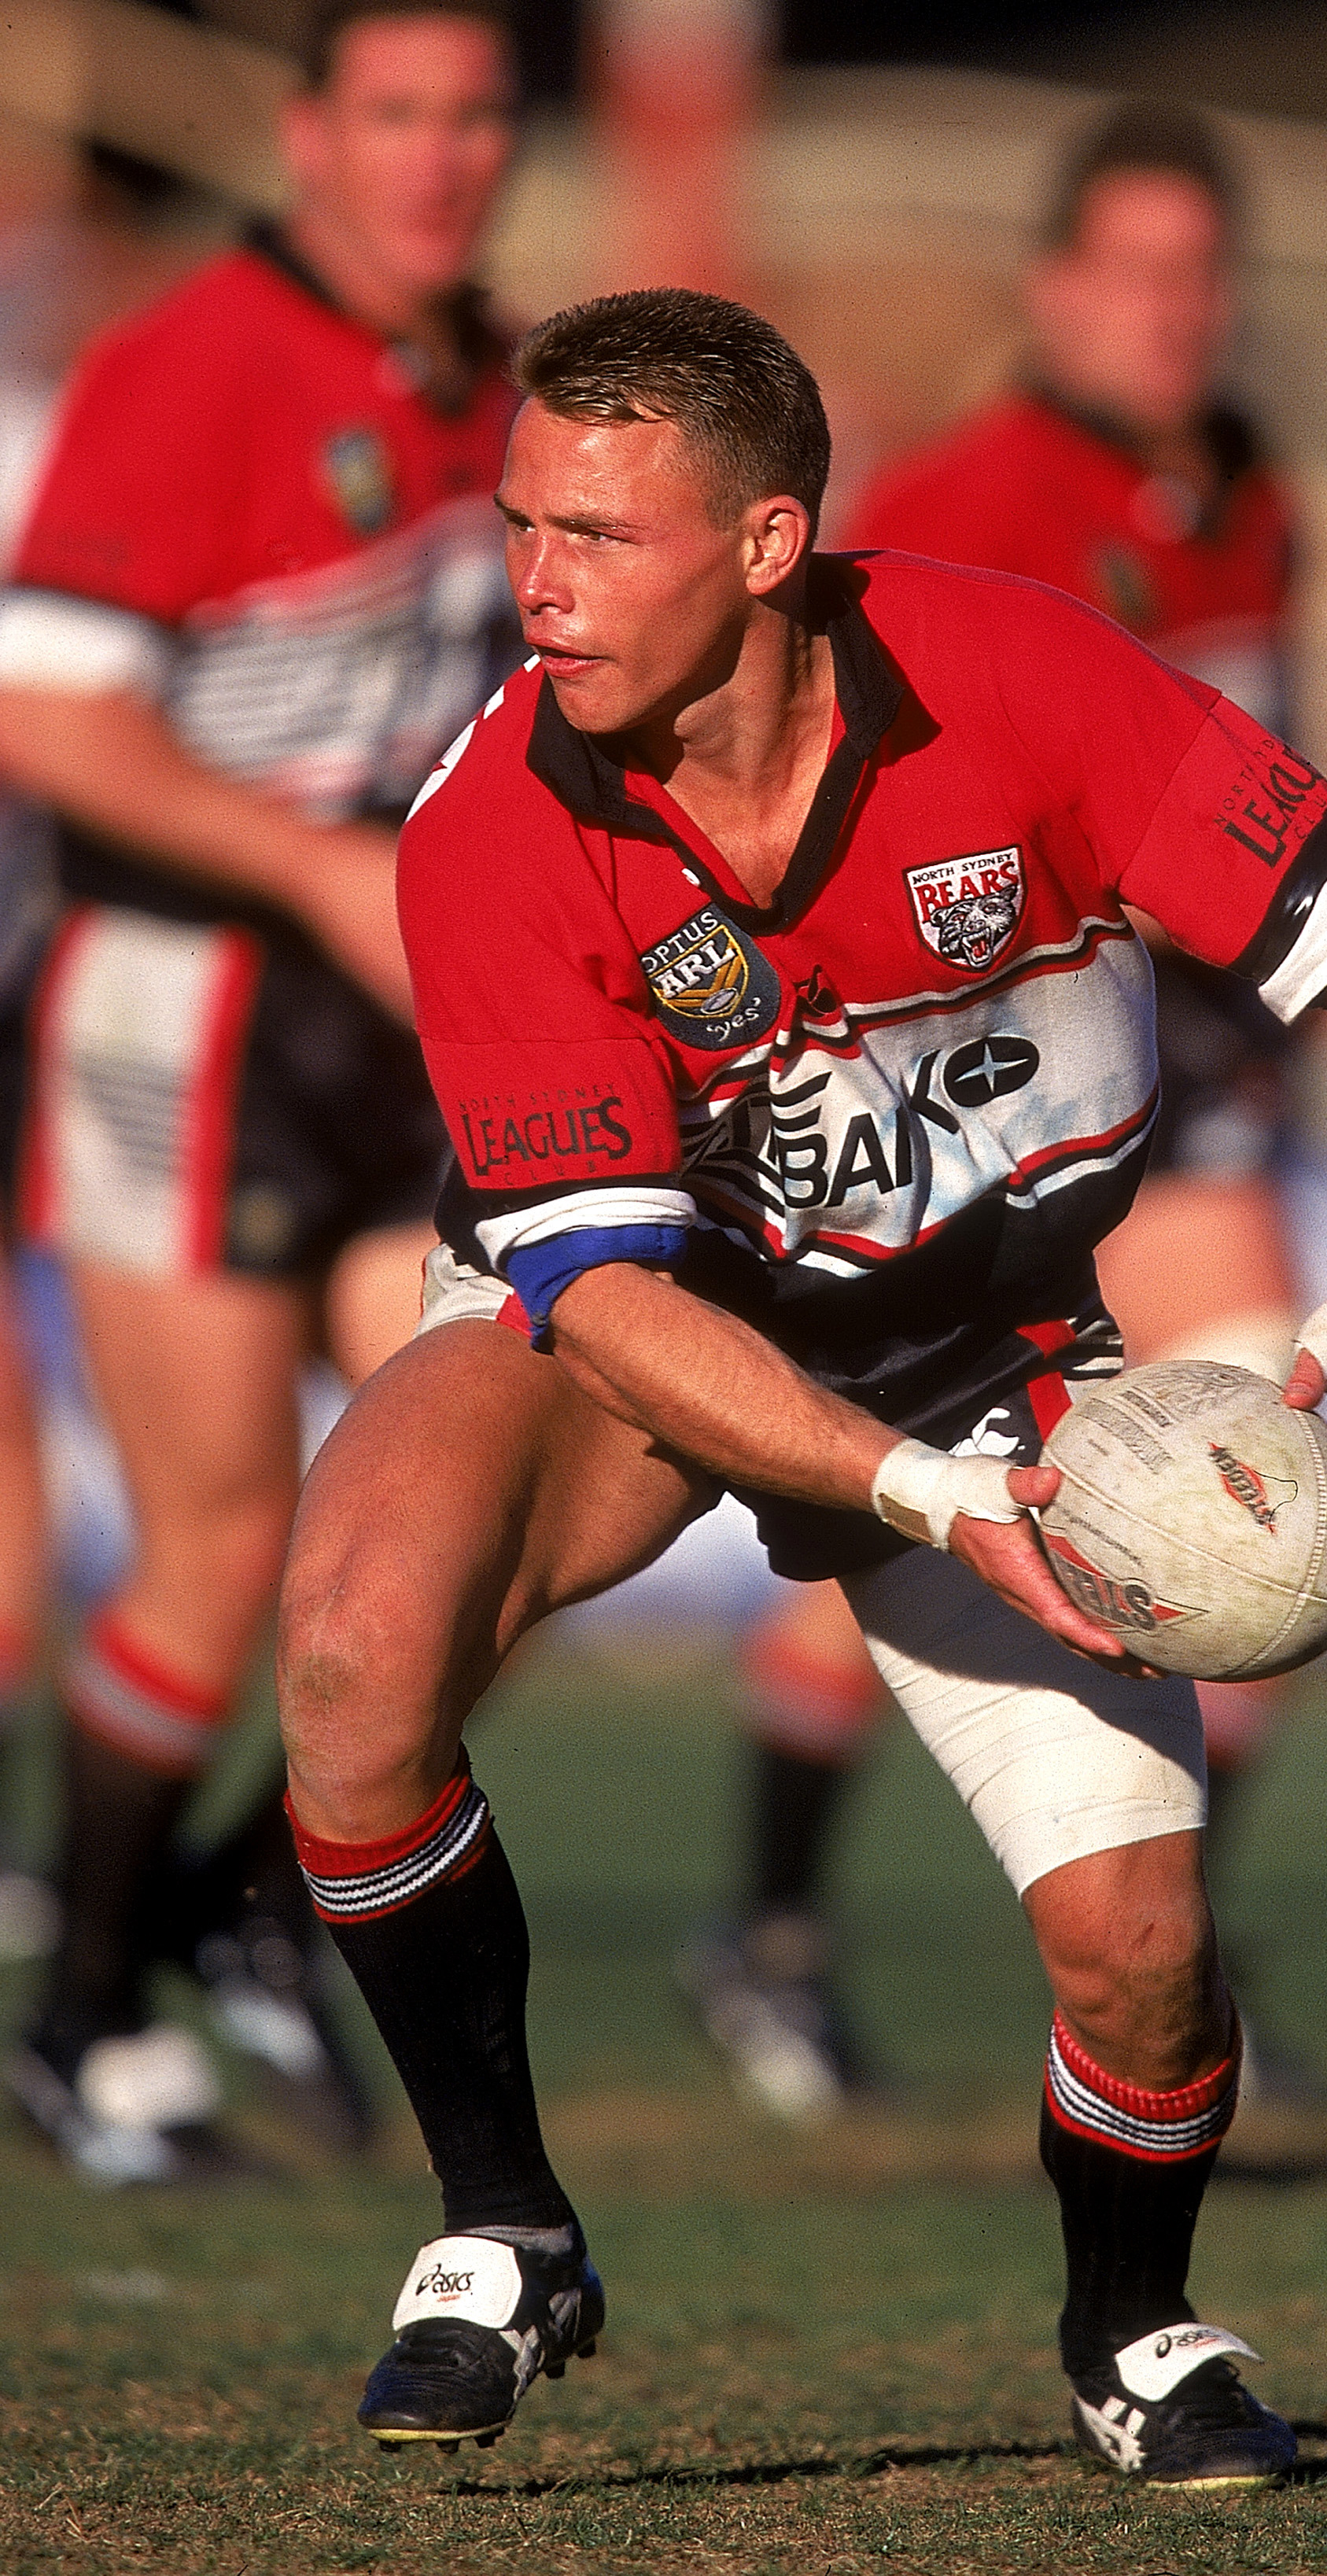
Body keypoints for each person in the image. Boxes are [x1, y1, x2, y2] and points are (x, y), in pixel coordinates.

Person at [275, 288, 1327, 2484]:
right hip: (650, 1337)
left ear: (763, 545)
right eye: (522, 521)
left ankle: (1131, 2328)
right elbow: (612, 1303)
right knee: (352, 1656)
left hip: (993, 1349)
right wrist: (921, 1497)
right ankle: (502, 2220)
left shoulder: (1018, 678)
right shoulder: (497, 822)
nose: (535, 581)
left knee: (1140, 1958)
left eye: (600, 535)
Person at [687, 102, 1319, 2114]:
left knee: (1278, 1505)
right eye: (1130, 273)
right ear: (1054, 290)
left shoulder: (1245, 490)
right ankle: (775, 1922)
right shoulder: (977, 496)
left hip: (1190, 1058)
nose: (1168, 314)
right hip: (1018, 1064)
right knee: (1041, 1496)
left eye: (1199, 275)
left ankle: (1157, 1941)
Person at [0, 0, 522, 2180]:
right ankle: (82, 2007)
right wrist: (314, 862)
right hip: (185, 1008)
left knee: (505, 1479)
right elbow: (48, 715)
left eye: (478, 113)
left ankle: (241, 1898)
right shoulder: (192, 364)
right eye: (394, 111)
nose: (439, 154)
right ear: (309, 131)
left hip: (399, 1028)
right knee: (215, 1548)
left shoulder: (501, 375)